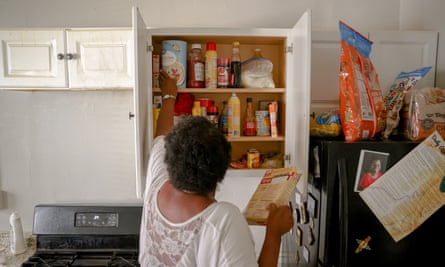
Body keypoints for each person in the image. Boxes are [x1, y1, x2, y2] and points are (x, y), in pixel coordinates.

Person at [139, 70, 294, 267]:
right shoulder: (222, 219)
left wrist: (169, 96)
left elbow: (162, 134)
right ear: (220, 172)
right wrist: (274, 233)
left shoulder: (156, 182)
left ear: (171, 160)